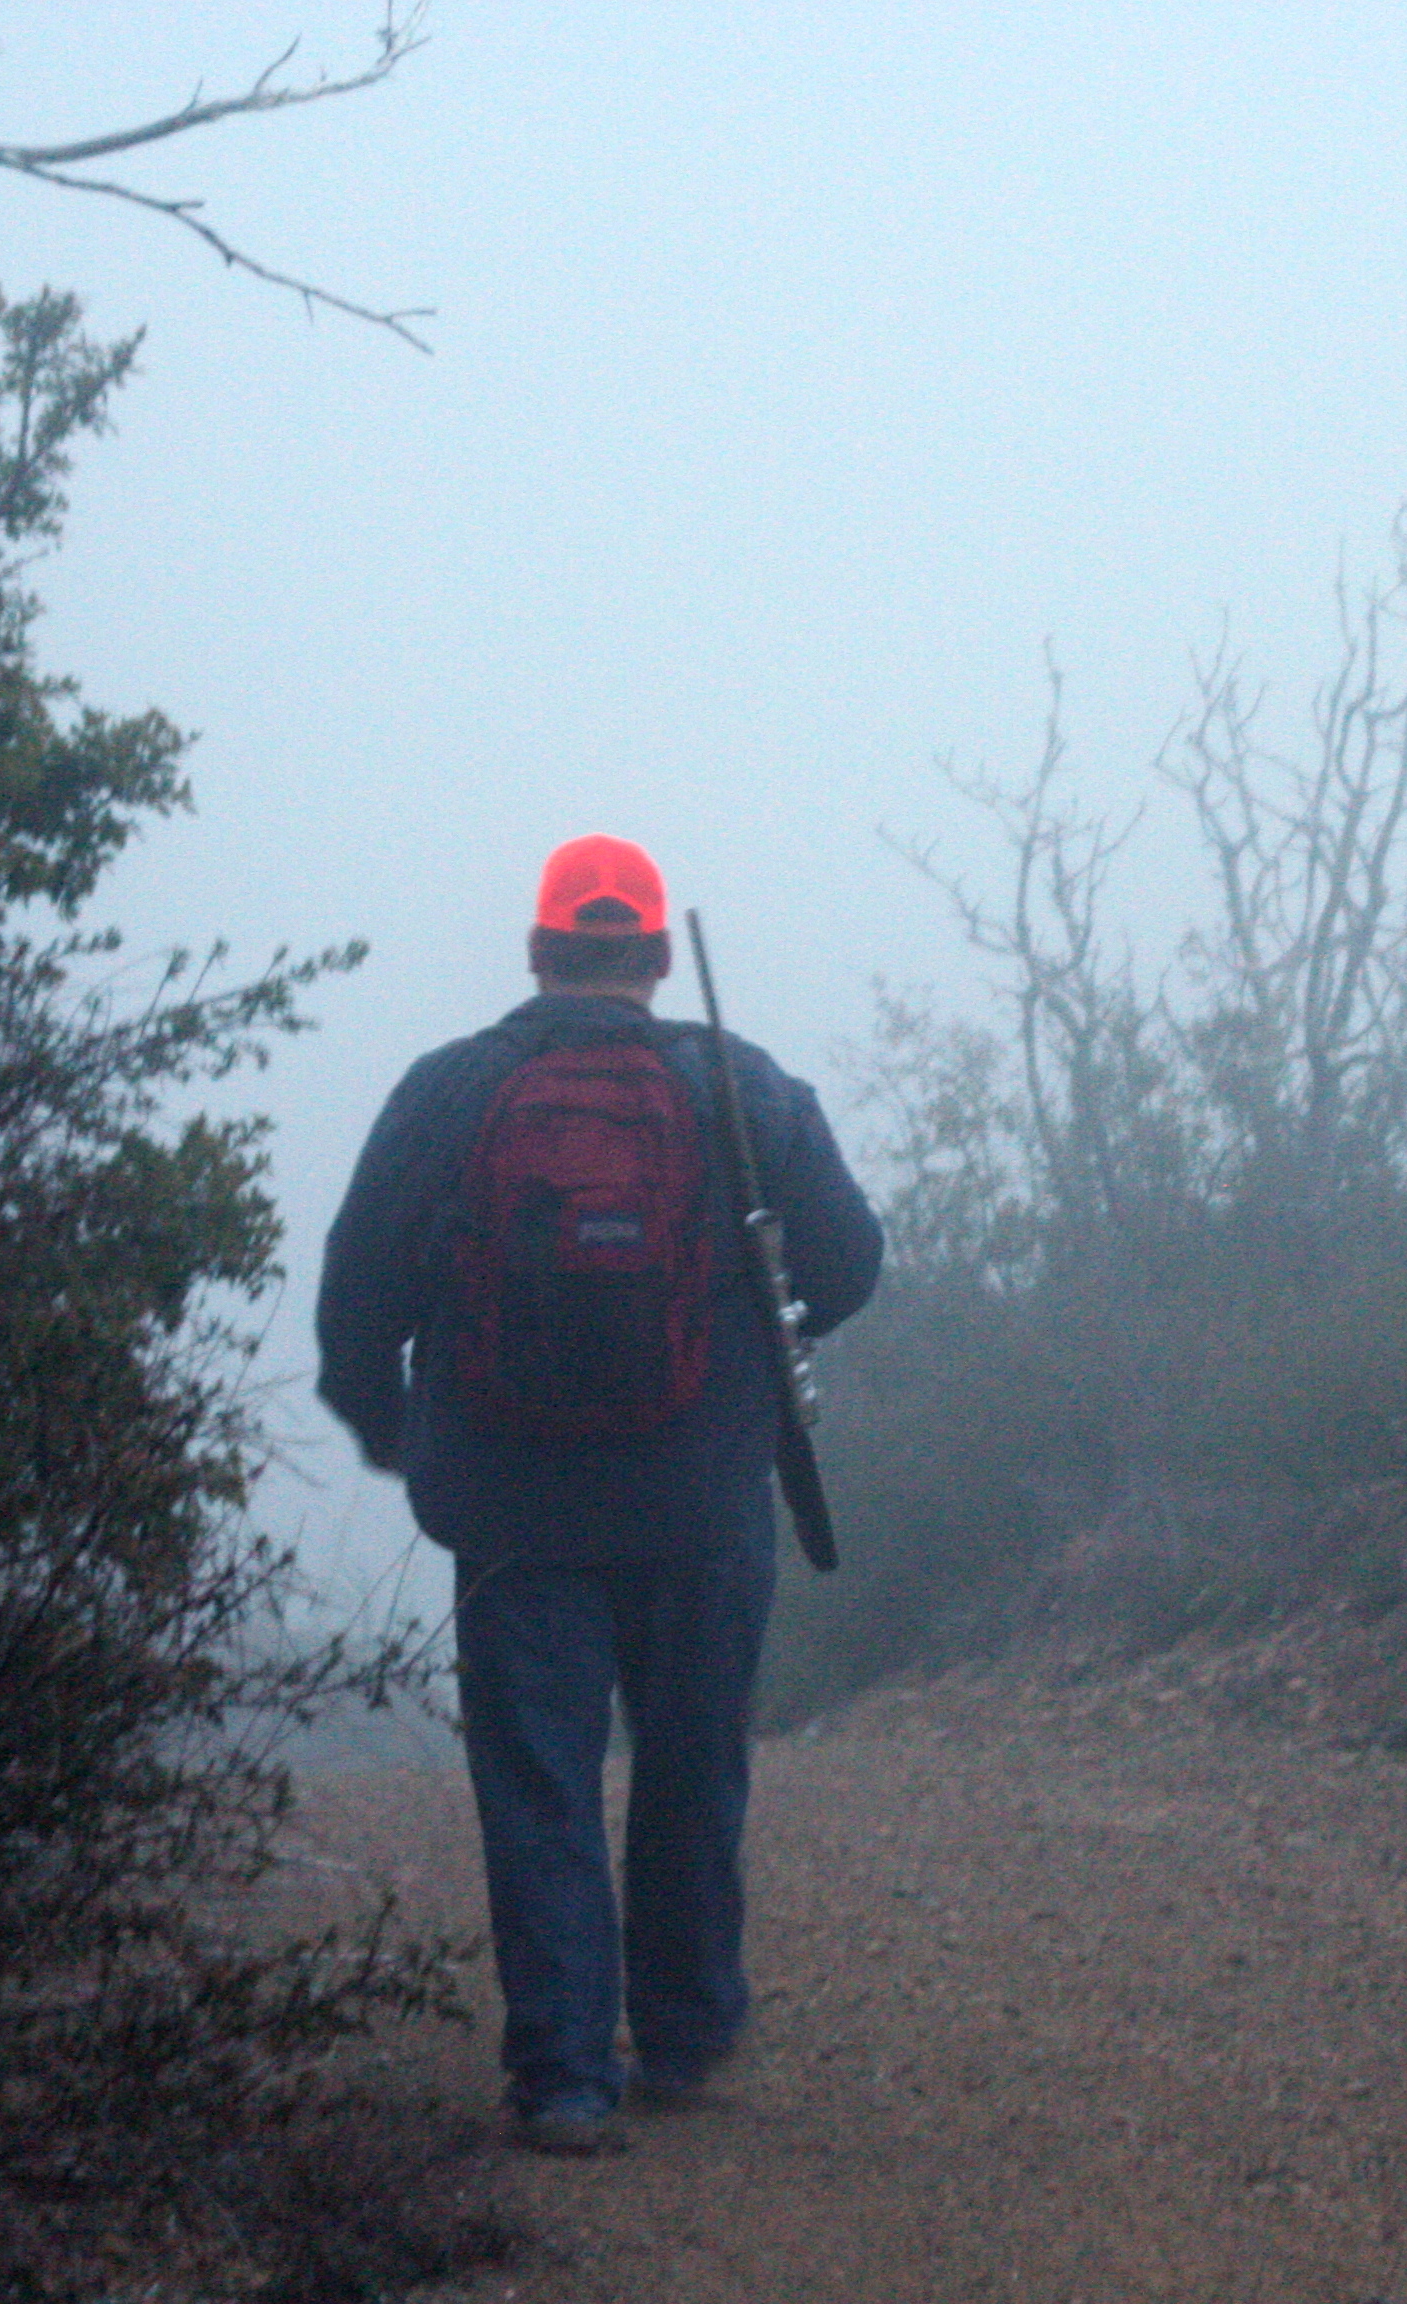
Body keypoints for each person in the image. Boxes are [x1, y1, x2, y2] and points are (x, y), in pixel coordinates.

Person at [316, 833, 882, 2152]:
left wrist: (394, 1433)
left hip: (514, 1514)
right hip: (701, 1506)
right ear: (659, 958)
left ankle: (565, 2077)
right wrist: (746, 1344)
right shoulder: (745, 1089)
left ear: (539, 950)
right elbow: (848, 1268)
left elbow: (358, 1301)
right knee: (690, 1769)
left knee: (541, 1786)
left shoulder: (451, 1091)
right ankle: (683, 2039)